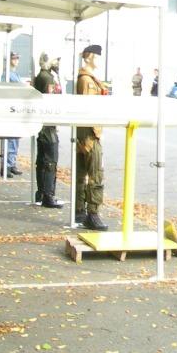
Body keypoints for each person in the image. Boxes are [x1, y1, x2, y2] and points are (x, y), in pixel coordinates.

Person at [75, 44, 109, 231]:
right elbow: (89, 109)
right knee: (95, 174)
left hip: (85, 133)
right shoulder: (87, 80)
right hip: (89, 133)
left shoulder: (86, 78)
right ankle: (92, 213)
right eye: (97, 56)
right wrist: (95, 134)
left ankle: (80, 210)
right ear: (90, 57)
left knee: (82, 174)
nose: (99, 60)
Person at [32, 53, 64, 209]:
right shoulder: (48, 78)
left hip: (42, 125)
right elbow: (52, 101)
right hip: (48, 126)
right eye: (56, 60)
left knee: (42, 161)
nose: (57, 63)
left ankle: (42, 192)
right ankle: (48, 195)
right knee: (50, 161)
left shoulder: (41, 76)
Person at [2, 52, 24, 177]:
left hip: (16, 108)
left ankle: (12, 163)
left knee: (15, 139)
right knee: (10, 139)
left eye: (17, 58)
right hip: (10, 108)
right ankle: (7, 165)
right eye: (14, 58)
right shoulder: (6, 74)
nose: (16, 60)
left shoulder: (15, 74)